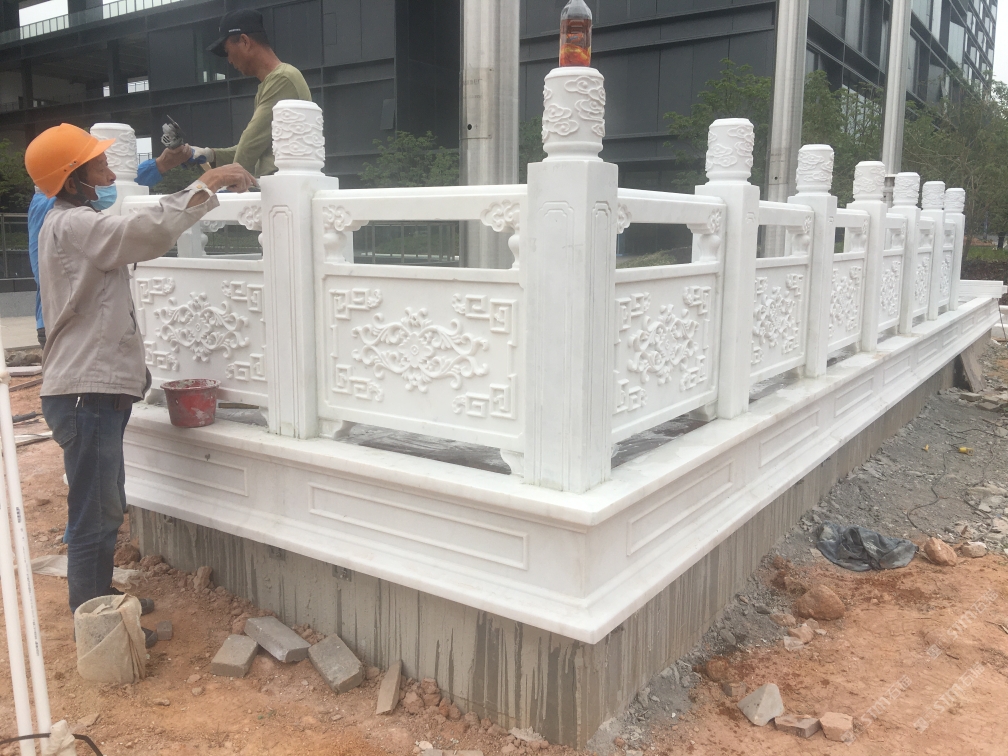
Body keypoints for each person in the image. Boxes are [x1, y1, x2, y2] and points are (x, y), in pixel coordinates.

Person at [25, 123, 254, 643]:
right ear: (73, 177)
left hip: (90, 392)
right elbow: (144, 231)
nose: (108, 171)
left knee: (105, 504)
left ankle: (102, 599)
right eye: (97, 164)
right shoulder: (74, 223)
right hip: (86, 394)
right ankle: (101, 628)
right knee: (94, 512)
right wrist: (206, 184)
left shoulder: (73, 221)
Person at [28, 142, 193, 347]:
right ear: (70, 185)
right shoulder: (65, 216)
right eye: (101, 168)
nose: (112, 176)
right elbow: (149, 230)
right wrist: (206, 186)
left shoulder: (66, 201)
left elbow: (102, 184)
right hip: (76, 332)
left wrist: (159, 165)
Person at [190, 9, 312, 177]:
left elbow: (250, 144)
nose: (229, 60)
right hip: (279, 183)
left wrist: (227, 180)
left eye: (228, 51)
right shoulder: (272, 82)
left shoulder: (282, 79)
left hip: (284, 185)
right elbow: (251, 148)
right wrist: (209, 154)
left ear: (245, 41)